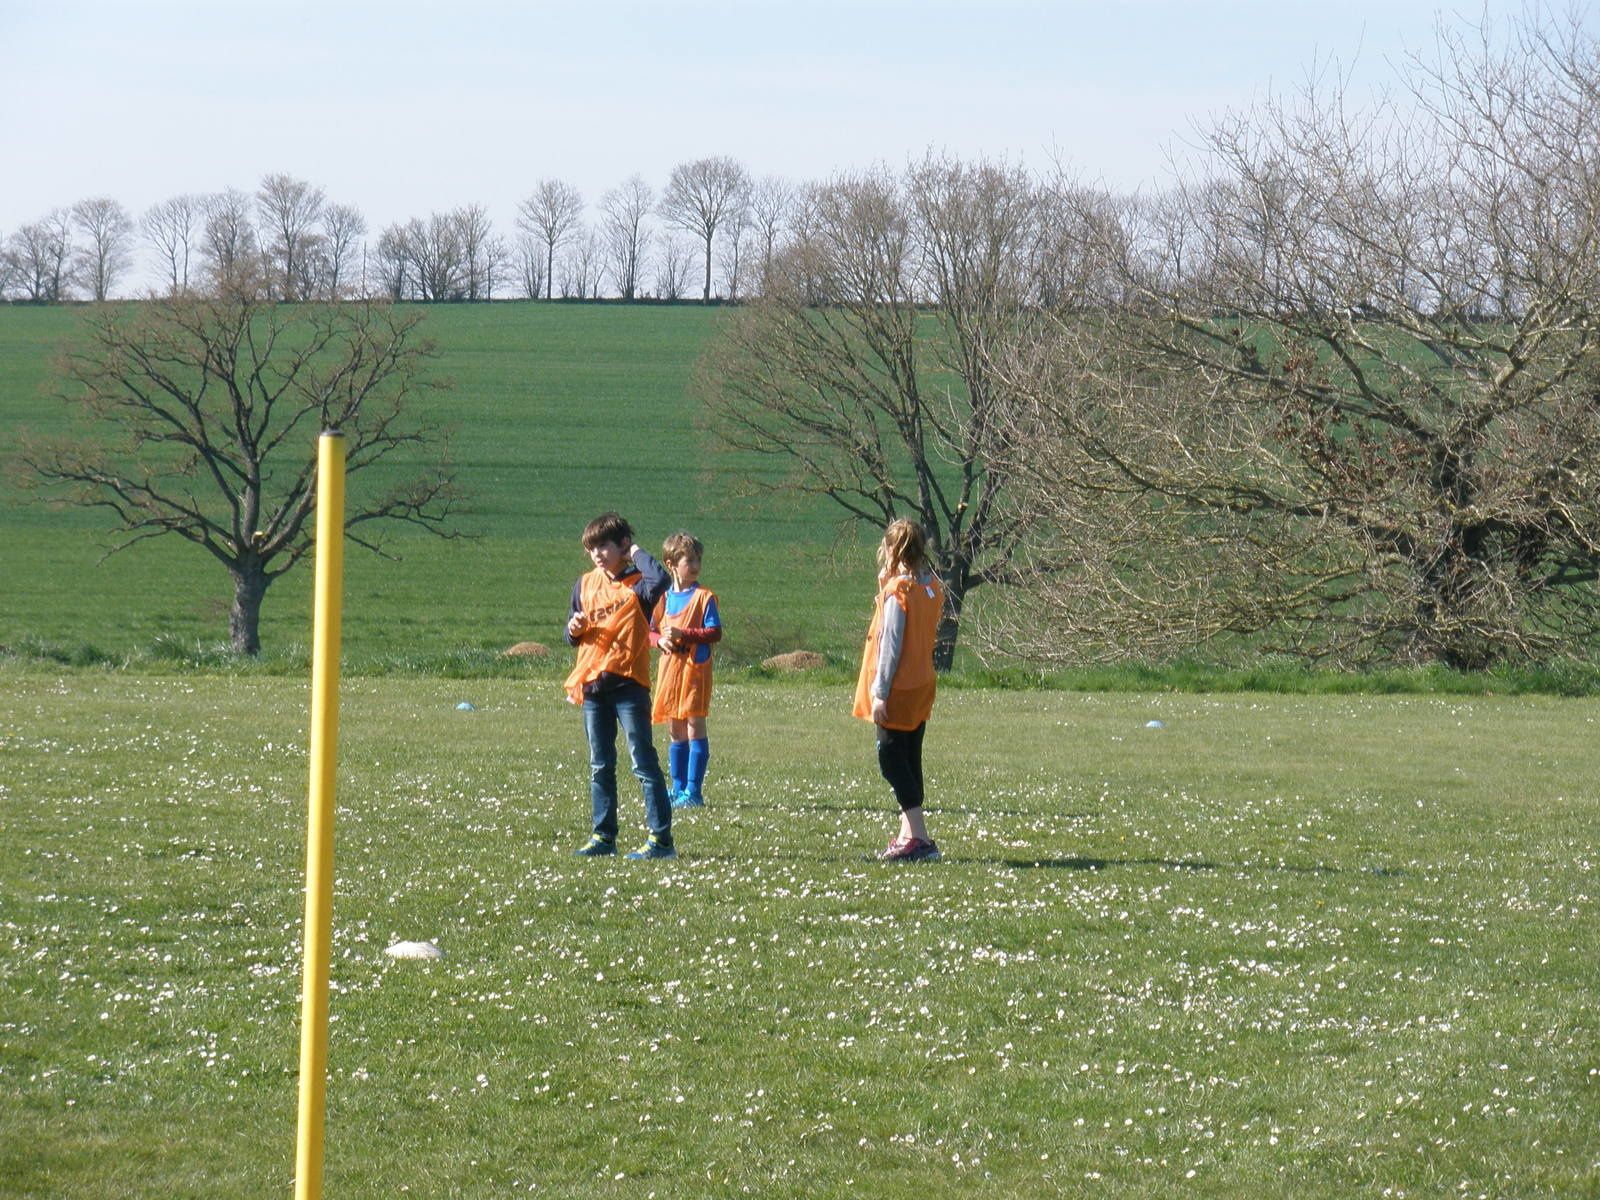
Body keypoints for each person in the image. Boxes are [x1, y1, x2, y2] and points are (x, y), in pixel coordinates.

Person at [563, 511, 676, 860]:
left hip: (628, 685)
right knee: (600, 764)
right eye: (591, 548)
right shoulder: (585, 584)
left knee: (643, 762)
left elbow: (661, 580)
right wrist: (573, 629)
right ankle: (604, 837)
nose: (597, 554)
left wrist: (636, 551)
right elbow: (572, 632)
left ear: (622, 545)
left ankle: (661, 841)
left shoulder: (639, 584)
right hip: (593, 686)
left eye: (604, 546)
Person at [852, 518, 945, 862]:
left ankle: (920, 838)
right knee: (910, 756)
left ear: (892, 550)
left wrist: (880, 693)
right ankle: (908, 834)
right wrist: (885, 585)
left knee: (892, 760)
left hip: (898, 688)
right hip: (922, 684)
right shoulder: (930, 586)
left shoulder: (899, 593)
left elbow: (890, 645)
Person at [650, 531, 723, 808]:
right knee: (675, 729)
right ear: (671, 564)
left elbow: (714, 632)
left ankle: (693, 791)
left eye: (697, 560)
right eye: (689, 560)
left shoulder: (705, 597)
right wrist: (660, 641)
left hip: (695, 673)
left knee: (694, 726)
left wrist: (685, 634)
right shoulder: (663, 598)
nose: (695, 566)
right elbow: (649, 631)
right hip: (670, 672)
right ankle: (677, 787)